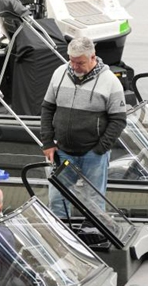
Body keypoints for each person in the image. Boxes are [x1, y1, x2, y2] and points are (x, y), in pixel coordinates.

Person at [40, 36, 127, 216]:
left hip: (93, 155)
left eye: (80, 63)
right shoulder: (59, 73)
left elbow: (118, 120)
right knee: (57, 200)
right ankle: (62, 237)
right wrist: (47, 142)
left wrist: (100, 149)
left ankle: (95, 237)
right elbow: (47, 108)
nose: (74, 66)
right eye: (71, 61)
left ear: (93, 58)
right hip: (63, 151)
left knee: (94, 203)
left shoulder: (110, 82)